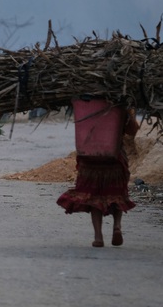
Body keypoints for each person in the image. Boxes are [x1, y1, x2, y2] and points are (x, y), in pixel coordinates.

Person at [57, 101, 139, 248]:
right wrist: (128, 113)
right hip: (114, 158)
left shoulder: (83, 103)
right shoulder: (119, 104)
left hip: (90, 160)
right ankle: (117, 226)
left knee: (94, 197)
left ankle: (98, 237)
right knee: (118, 195)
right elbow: (132, 130)